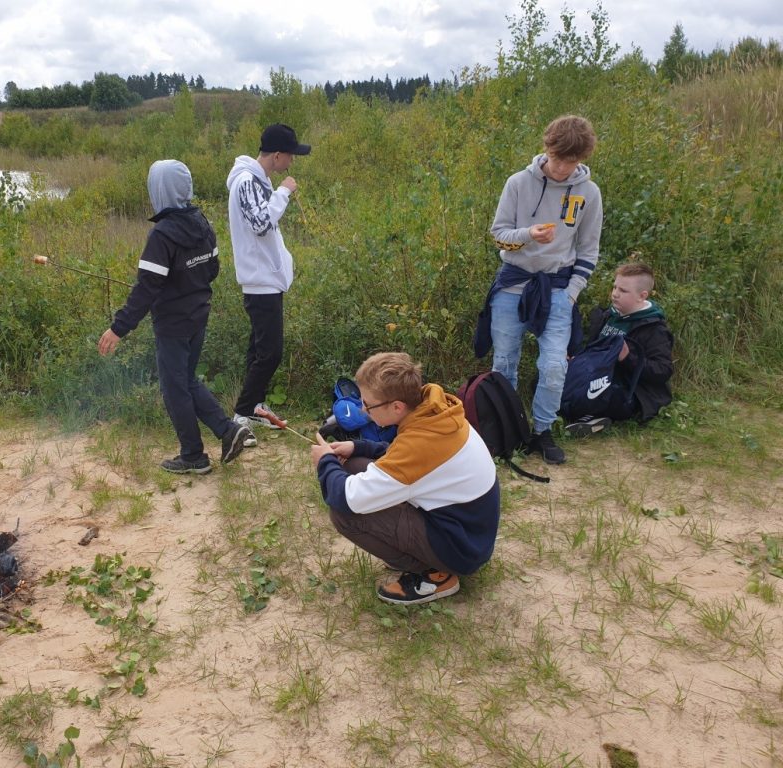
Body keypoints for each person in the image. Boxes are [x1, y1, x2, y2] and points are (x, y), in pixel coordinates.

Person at [98, 159, 254, 475]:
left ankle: (194, 455)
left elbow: (146, 289)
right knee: (185, 380)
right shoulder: (202, 222)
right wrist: (183, 283)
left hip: (173, 324)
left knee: (174, 388)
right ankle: (228, 431)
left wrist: (118, 328)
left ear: (159, 190)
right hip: (198, 316)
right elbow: (211, 269)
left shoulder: (162, 235)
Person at [310, 352, 500, 605]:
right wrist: (358, 447)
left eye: (368, 404)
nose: (363, 409)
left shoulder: (419, 443)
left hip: (461, 549)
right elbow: (404, 453)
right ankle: (421, 554)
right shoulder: (433, 411)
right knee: (355, 465)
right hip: (468, 530)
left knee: (344, 515)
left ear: (397, 407)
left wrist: (325, 461)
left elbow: (346, 498)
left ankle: (435, 574)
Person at [476, 114, 603, 465]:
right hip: (513, 284)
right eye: (557, 158)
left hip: (558, 288)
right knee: (504, 362)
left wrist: (572, 292)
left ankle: (542, 431)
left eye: (571, 162)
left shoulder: (589, 193)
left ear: (582, 159)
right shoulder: (518, 183)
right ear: (547, 148)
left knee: (554, 366)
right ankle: (507, 430)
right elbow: (499, 236)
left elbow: (589, 249)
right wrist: (528, 235)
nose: (561, 168)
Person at [226, 123, 311, 439]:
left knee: (260, 348)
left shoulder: (256, 181)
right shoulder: (247, 182)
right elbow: (261, 223)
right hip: (259, 280)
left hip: (266, 279)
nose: (292, 161)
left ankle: (253, 407)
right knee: (270, 353)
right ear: (277, 155)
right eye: (290, 155)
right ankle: (241, 415)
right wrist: (284, 192)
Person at [564, 262, 674, 436]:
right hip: (597, 375)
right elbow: (594, 351)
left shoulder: (654, 329)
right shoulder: (608, 315)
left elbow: (663, 370)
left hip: (629, 389)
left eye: (623, 291)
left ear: (642, 296)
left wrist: (628, 358)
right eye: (615, 287)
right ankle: (587, 415)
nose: (615, 294)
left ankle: (589, 418)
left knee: (594, 394)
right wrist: (577, 360)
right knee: (549, 377)